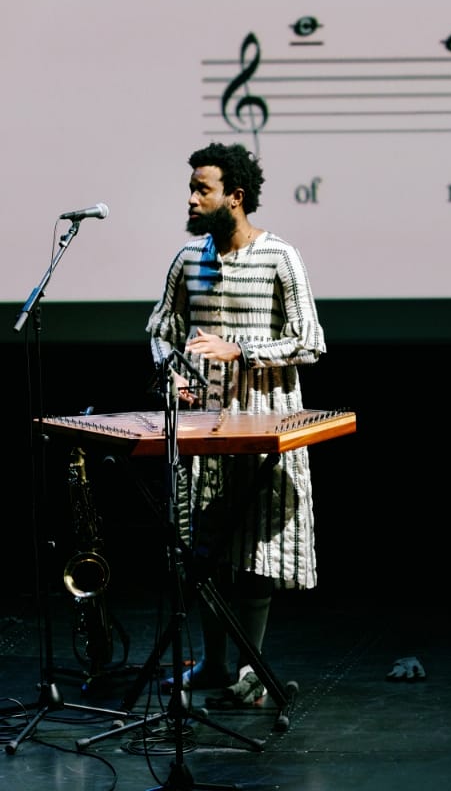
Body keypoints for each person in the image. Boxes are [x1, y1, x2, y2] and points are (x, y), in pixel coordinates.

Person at [146, 142, 326, 708]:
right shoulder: (186, 261)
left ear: (235, 197)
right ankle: (215, 666)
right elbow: (161, 330)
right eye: (192, 188)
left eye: (203, 189)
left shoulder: (280, 258)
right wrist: (171, 371)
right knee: (202, 550)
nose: (192, 198)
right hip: (200, 432)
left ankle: (252, 669)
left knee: (255, 552)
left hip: (263, 427)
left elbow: (310, 341)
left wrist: (240, 351)